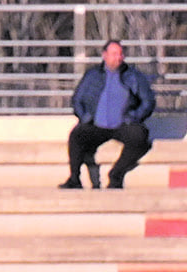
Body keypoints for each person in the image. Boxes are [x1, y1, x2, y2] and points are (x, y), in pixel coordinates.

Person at [63, 40, 155, 191]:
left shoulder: (134, 76)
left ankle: (116, 175)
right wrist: (84, 117)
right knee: (76, 136)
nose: (118, 58)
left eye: (120, 54)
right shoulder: (92, 75)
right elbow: (77, 100)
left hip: (122, 125)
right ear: (104, 55)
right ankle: (74, 179)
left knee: (140, 137)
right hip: (95, 125)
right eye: (114, 54)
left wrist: (134, 117)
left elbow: (148, 102)